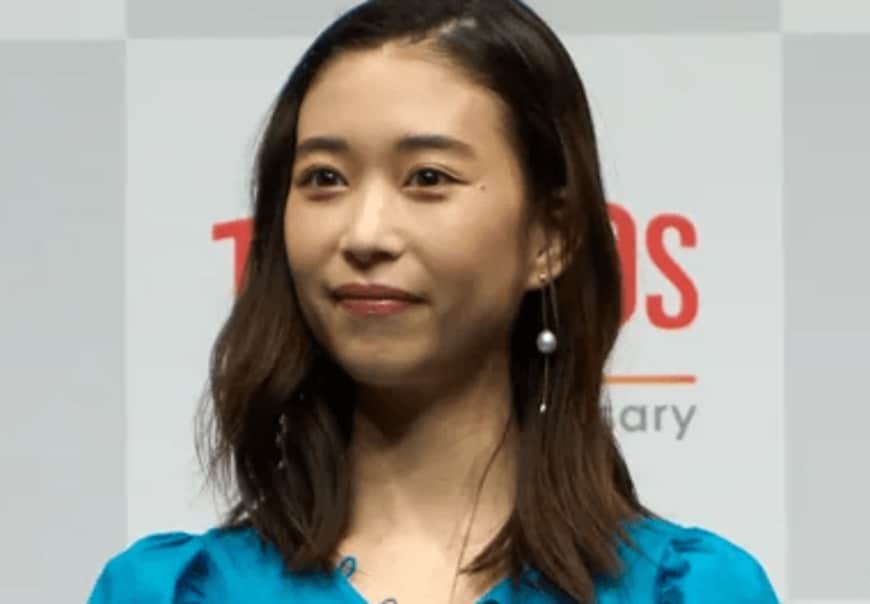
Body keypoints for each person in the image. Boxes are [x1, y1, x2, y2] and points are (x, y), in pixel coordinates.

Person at [88, 1, 780, 602]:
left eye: (427, 177)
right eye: (324, 178)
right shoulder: (171, 592)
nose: (364, 234)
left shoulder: (686, 591)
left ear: (550, 235)